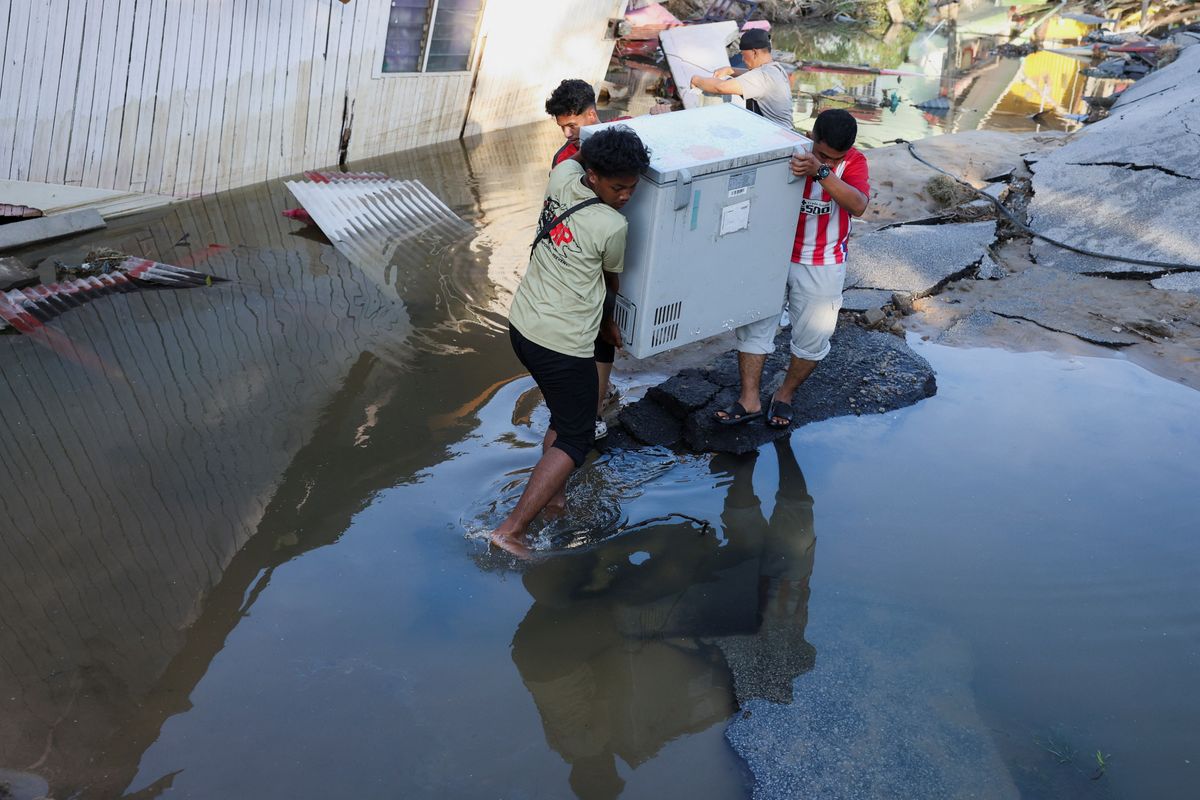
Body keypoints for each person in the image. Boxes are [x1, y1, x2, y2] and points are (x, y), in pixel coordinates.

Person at [492, 127, 651, 555]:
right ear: (595, 176)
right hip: (561, 342)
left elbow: (576, 152)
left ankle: (554, 500)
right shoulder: (611, 225)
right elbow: (610, 280)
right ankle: (511, 531)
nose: (625, 197)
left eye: (633, 188)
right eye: (618, 187)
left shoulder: (563, 175)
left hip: (524, 326)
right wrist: (610, 322)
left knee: (565, 418)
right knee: (576, 438)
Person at [714, 108, 869, 428]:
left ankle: (784, 395)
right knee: (753, 326)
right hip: (772, 256)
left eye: (834, 158)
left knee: (813, 338)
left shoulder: (854, 162)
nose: (826, 161)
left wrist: (822, 172)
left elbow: (858, 205)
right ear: (811, 136)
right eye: (821, 154)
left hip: (823, 261)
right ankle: (750, 399)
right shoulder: (787, 151)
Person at [544, 79, 635, 439]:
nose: (567, 134)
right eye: (562, 127)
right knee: (593, 333)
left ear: (591, 115)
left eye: (571, 124)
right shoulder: (566, 157)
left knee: (601, 334)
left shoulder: (626, 133)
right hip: (582, 256)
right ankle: (588, 412)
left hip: (611, 245)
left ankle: (593, 408)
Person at [689, 28, 793, 128]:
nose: (743, 59)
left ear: (755, 52)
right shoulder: (775, 69)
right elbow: (751, 76)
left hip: (778, 138)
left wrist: (696, 79)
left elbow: (721, 87)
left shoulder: (762, 76)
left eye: (743, 55)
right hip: (782, 132)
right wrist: (730, 70)